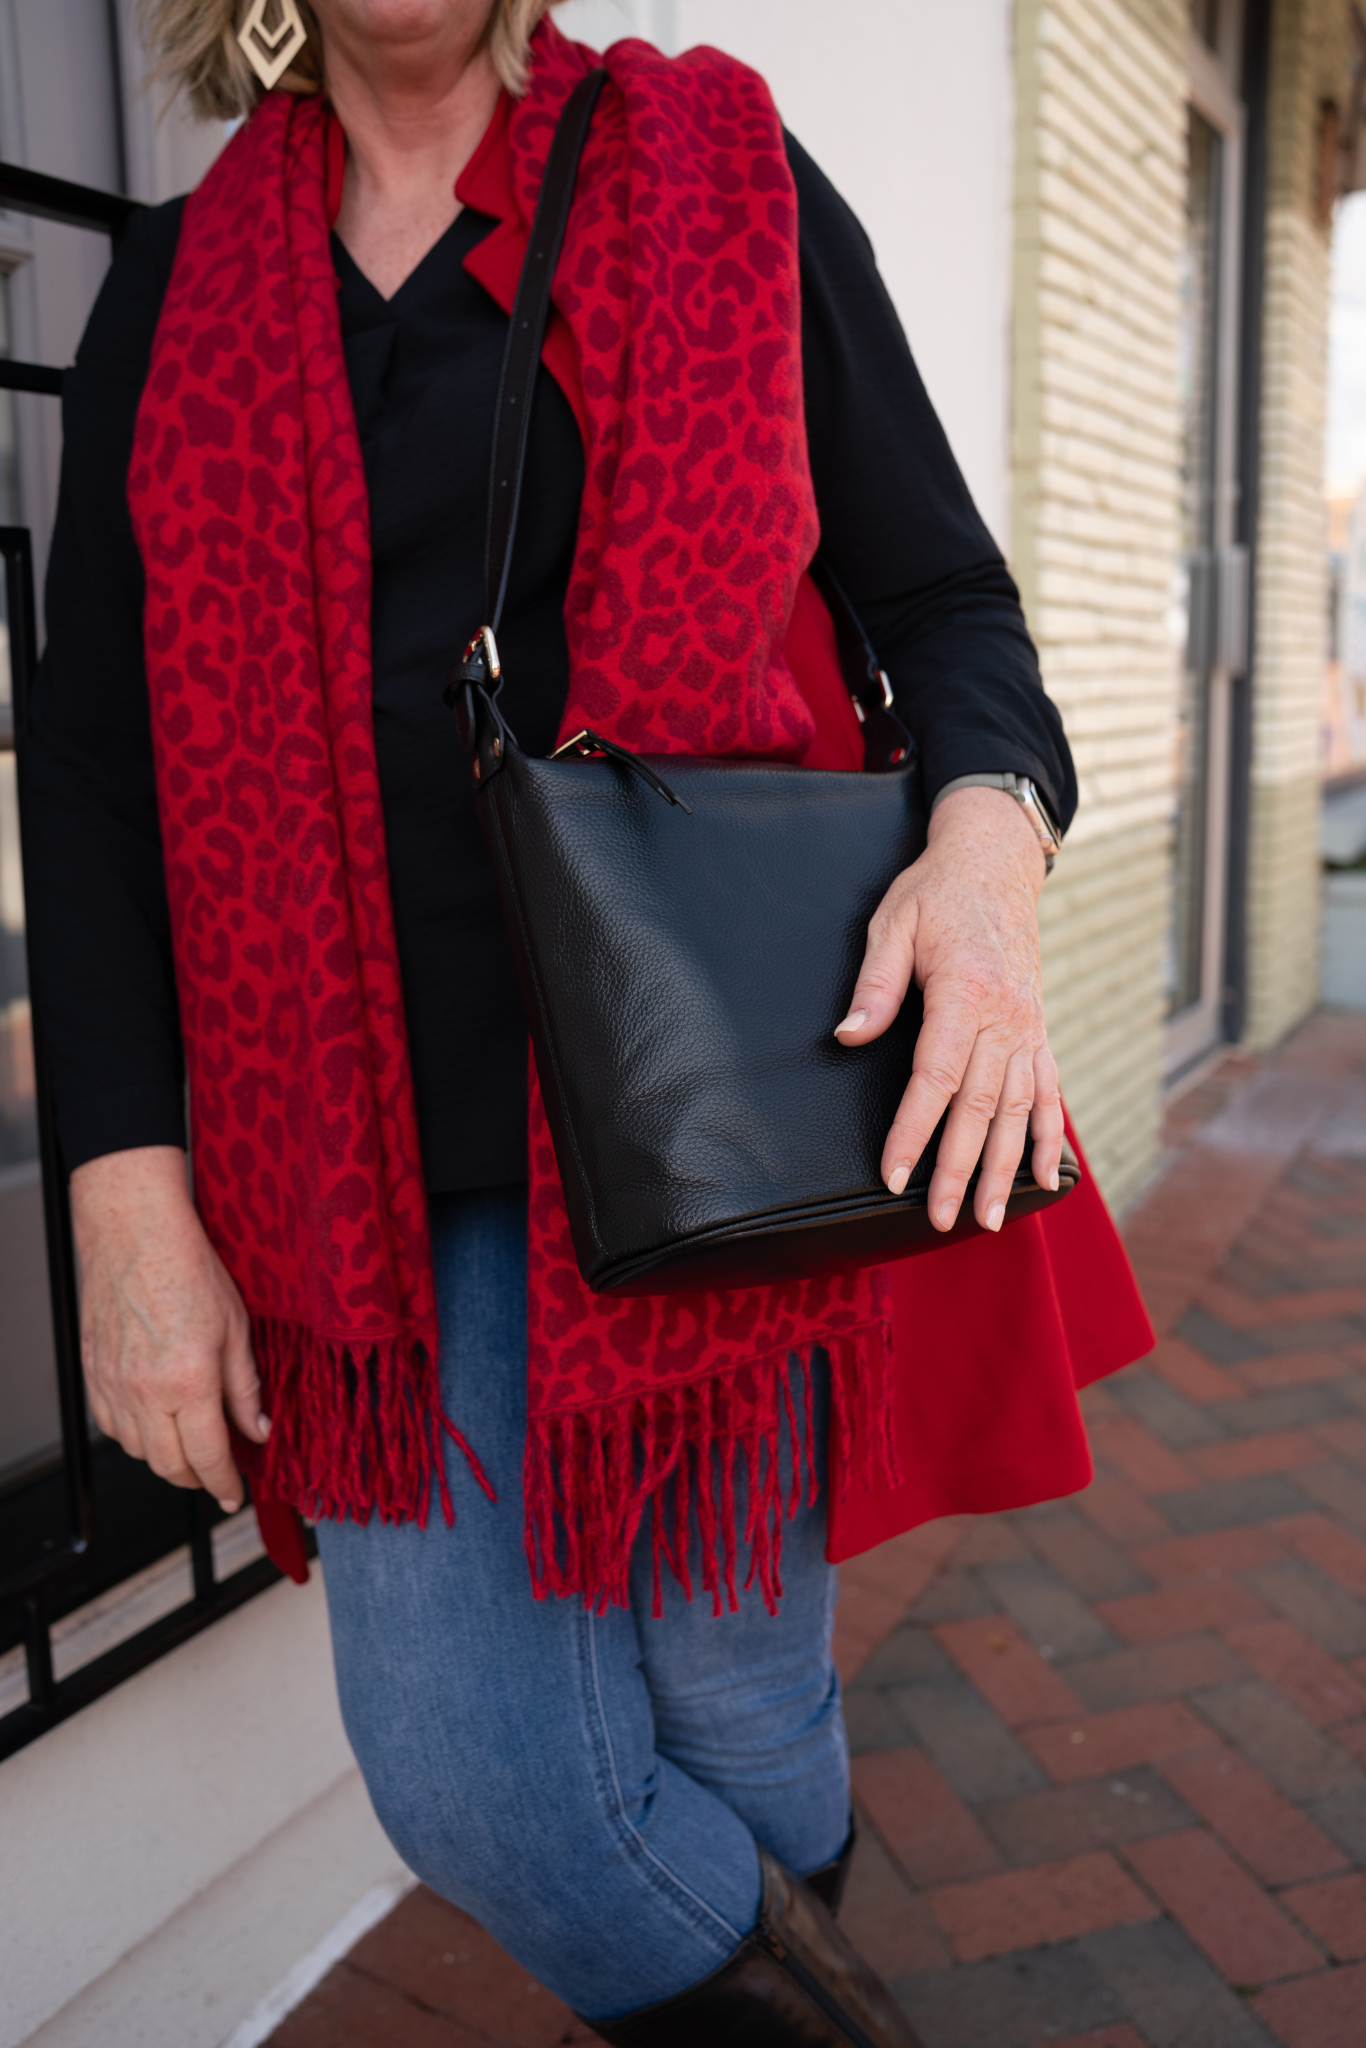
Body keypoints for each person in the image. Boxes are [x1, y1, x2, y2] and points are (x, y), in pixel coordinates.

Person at [20, 1, 1151, 2039]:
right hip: (361, 1176)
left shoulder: (719, 177)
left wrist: (981, 864)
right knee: (493, 1787)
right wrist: (123, 1189)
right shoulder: (176, 293)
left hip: (709, 1125)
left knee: (737, 1710)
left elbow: (948, 612)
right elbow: (90, 779)